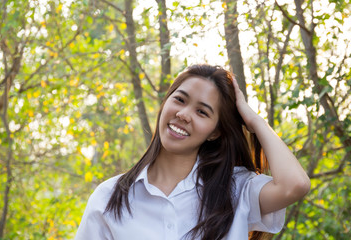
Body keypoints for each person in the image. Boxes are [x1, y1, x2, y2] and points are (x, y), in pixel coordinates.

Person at [75, 64, 311, 240]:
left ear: (215, 132)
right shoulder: (108, 198)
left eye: (202, 112)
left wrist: (254, 121)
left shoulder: (236, 191)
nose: (184, 114)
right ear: (165, 103)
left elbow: (295, 185)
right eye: (179, 99)